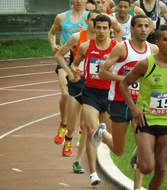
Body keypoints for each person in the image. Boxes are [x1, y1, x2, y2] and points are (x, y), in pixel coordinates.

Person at [94, 14, 158, 190]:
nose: (143, 29)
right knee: (119, 150)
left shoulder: (152, 50)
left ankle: (137, 187)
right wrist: (126, 79)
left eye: (146, 26)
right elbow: (102, 73)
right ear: (132, 28)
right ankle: (102, 134)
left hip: (141, 104)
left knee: (143, 150)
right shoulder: (122, 48)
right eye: (139, 26)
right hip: (119, 101)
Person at [117, 24, 167, 190]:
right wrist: (133, 108)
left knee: (162, 168)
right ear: (157, 42)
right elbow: (123, 84)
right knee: (146, 167)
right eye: (165, 40)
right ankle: (139, 153)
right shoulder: (146, 63)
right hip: (146, 121)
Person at [71, 14, 117, 186]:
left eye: (105, 28)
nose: (101, 31)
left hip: (109, 94)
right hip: (90, 93)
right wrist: (75, 72)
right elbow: (75, 64)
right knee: (91, 129)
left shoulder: (116, 47)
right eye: (98, 27)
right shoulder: (85, 46)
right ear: (93, 28)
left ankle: (102, 136)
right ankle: (92, 173)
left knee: (105, 138)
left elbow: (125, 66)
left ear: (110, 30)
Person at [55, 10, 101, 173]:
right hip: (77, 83)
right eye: (93, 20)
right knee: (73, 125)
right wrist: (69, 72)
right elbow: (60, 56)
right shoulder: (77, 38)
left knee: (87, 126)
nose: (95, 24)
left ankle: (78, 161)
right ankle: (68, 137)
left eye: (98, 21)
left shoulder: (104, 41)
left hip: (93, 87)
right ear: (87, 21)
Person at [48, 0, 88, 145]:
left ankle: (79, 130)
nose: (78, 1)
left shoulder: (91, 17)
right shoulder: (61, 17)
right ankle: (63, 124)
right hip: (65, 58)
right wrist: (54, 45)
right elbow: (51, 33)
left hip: (83, 60)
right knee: (65, 93)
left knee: (83, 99)